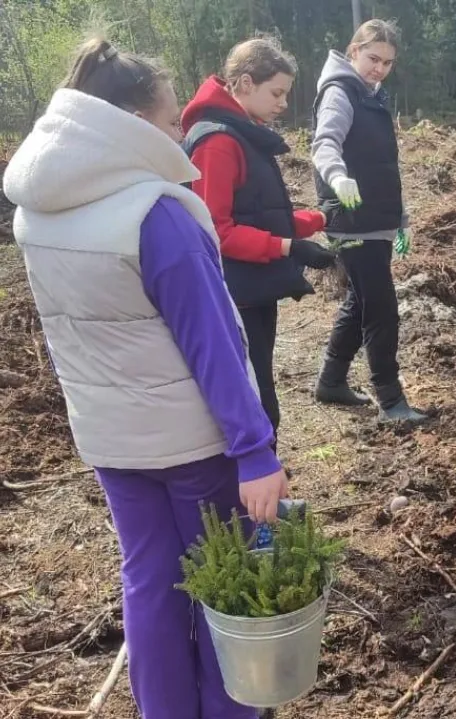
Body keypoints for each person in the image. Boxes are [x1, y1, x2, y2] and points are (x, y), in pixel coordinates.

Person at [3, 37, 287, 720]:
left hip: (110, 440)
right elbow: (214, 346)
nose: (178, 135)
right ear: (128, 125)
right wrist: (254, 449)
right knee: (223, 585)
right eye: (168, 123)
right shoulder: (153, 214)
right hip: (192, 444)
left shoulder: (36, 209)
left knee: (150, 583)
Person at [182, 37, 335, 443]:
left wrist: (318, 219)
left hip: (252, 288)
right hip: (234, 293)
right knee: (253, 392)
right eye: (277, 92)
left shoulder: (243, 133)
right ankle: (256, 490)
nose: (283, 103)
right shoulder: (217, 142)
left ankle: (265, 487)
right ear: (245, 83)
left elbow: (260, 214)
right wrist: (289, 247)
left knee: (261, 381)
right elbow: (216, 230)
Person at [311, 19, 426, 424]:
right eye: (373, 58)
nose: (379, 68)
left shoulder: (373, 96)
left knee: (361, 300)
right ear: (353, 50)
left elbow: (384, 166)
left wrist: (401, 219)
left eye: (388, 62)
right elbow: (325, 143)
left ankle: (331, 380)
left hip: (376, 219)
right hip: (351, 219)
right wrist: (337, 177)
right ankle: (392, 402)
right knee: (382, 309)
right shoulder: (340, 92)